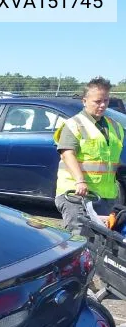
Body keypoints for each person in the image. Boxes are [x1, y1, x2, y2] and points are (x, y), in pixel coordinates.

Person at [53, 76, 124, 233]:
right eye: (97, 101)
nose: (102, 105)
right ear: (85, 101)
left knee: (102, 241)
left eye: (105, 100)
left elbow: (111, 159)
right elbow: (67, 154)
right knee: (79, 236)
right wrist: (80, 181)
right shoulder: (74, 124)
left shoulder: (115, 127)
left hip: (106, 196)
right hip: (77, 195)